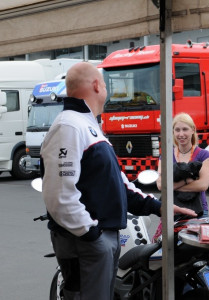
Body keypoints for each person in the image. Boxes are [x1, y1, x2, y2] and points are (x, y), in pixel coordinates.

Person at [40, 62, 196, 300]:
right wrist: (92, 234)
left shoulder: (88, 125)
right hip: (87, 242)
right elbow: (59, 195)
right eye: (104, 83)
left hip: (97, 239)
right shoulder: (69, 125)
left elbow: (120, 185)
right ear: (96, 85)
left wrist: (159, 207)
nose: (106, 89)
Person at [152, 112, 209, 241]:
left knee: (196, 254)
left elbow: (203, 185)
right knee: (169, 251)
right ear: (173, 132)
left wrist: (171, 186)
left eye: (185, 129)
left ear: (193, 130)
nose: (181, 134)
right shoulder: (166, 155)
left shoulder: (204, 155)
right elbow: (160, 185)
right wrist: (187, 180)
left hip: (198, 212)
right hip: (171, 211)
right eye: (177, 130)